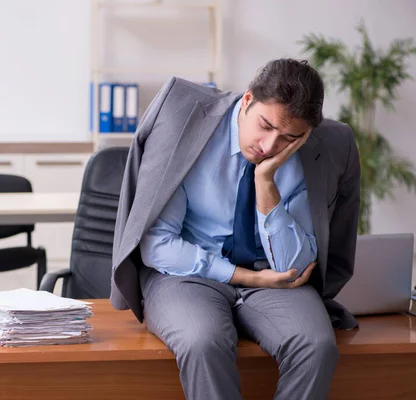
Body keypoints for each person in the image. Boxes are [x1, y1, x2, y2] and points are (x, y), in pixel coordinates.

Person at [110, 58, 361, 400]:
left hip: (273, 281)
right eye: (265, 125)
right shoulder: (182, 117)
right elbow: (158, 245)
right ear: (246, 100)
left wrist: (266, 183)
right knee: (203, 341)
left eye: (290, 138)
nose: (270, 146)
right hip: (184, 273)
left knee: (316, 346)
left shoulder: (325, 148)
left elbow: (295, 267)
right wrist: (246, 277)